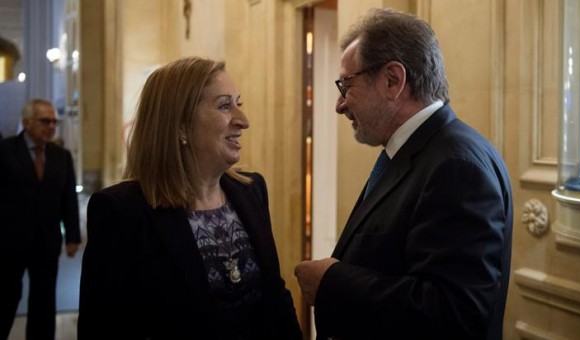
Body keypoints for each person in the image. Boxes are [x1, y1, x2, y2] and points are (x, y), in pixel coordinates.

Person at [294, 8, 513, 340]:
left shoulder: (456, 166)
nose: (340, 104)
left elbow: (453, 314)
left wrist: (332, 282)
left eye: (346, 85)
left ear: (393, 80)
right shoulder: (416, 151)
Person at [77, 57, 303, 340]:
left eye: (238, 104)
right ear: (181, 126)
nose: (243, 121)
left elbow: (275, 300)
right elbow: (103, 328)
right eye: (224, 105)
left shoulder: (252, 190)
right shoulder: (122, 211)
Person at [0, 98, 81, 339]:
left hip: (46, 240)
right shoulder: (4, 151)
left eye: (55, 121)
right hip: (9, 241)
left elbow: (68, 199)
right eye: (46, 121)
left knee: (44, 300)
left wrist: (73, 236)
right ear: (27, 122)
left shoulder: (61, 156)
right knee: (5, 296)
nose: (52, 126)